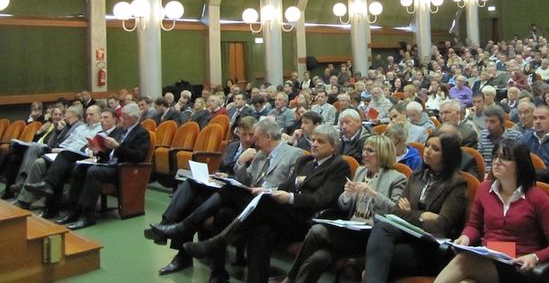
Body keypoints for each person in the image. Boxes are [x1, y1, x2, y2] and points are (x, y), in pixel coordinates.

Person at [182, 124, 350, 283]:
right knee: (260, 229)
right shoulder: (304, 162)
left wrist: (290, 197)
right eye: (313, 140)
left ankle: (216, 240)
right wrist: (273, 190)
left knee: (262, 202)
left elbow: (320, 200)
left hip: (305, 221)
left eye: (320, 141)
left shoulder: (339, 166)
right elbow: (285, 186)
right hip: (284, 216)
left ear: (334, 147)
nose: (314, 144)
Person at [146, 118, 303, 278]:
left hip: (271, 205)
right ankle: (217, 272)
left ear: (268, 136)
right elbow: (246, 180)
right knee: (215, 207)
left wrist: (268, 189)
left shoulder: (294, 154)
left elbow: (292, 187)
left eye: (256, 137)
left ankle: (181, 227)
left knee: (228, 191)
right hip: (249, 201)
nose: (254, 142)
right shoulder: (261, 154)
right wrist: (241, 163)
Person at [434, 139, 549, 283]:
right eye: (495, 157)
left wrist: (535, 257)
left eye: (505, 158)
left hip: (518, 265)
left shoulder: (537, 197)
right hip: (489, 258)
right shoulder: (484, 190)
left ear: (520, 165)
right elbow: (474, 225)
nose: (497, 162)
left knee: (464, 260)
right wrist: (466, 237)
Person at [284, 135, 408, 283]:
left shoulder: (397, 178)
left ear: (382, 153)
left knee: (317, 231)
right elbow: (343, 206)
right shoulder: (361, 172)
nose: (364, 154)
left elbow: (396, 212)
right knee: (318, 258)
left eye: (370, 151)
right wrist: (347, 194)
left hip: (371, 235)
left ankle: (290, 278)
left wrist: (374, 194)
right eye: (364, 150)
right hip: (350, 230)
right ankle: (292, 279)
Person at [362, 134, 469, 282]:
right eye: (427, 145)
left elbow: (441, 225)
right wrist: (422, 215)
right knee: (381, 228)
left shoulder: (456, 184)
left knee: (378, 256)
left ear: (448, 155)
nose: (427, 150)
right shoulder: (416, 176)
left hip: (431, 247)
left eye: (435, 148)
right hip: (408, 237)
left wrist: (409, 213)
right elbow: (396, 211)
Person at [64, 102, 150, 229]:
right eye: (122, 117)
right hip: (108, 164)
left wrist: (118, 147)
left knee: (93, 171)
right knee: (80, 168)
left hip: (122, 169)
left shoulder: (141, 133)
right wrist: (97, 149)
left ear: (134, 119)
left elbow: (137, 157)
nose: (122, 120)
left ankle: (88, 215)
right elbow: (107, 151)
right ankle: (73, 210)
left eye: (125, 118)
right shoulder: (119, 131)